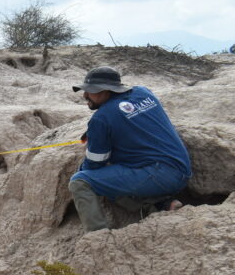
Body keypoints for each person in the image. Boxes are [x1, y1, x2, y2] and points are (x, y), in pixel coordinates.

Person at [68, 66, 191, 231]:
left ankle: (97, 237)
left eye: (90, 91)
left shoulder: (101, 118)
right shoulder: (143, 92)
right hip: (182, 169)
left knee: (82, 181)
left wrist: (82, 166)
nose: (85, 95)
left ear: (106, 91)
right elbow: (128, 118)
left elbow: (95, 163)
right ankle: (163, 206)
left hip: (160, 175)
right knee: (113, 175)